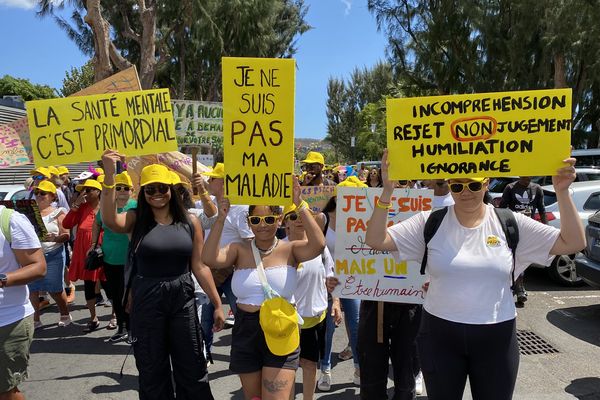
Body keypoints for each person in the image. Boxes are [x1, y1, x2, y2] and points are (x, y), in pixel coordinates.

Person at [365, 149, 585, 400]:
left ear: (486, 183)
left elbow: (573, 242)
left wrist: (563, 191)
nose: (465, 192)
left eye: (472, 184)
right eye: (457, 186)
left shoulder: (509, 222)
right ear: (449, 185)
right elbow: (375, 240)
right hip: (439, 334)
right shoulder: (430, 222)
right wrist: (386, 192)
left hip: (496, 336)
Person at [100, 151, 223, 400]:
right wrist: (110, 175)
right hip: (147, 298)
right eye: (150, 189)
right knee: (152, 368)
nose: (157, 193)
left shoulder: (190, 221)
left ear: (171, 189)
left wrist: (217, 303)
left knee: (192, 365)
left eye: (162, 188)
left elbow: (199, 266)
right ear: (142, 193)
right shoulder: (135, 220)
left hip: (182, 297)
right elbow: (110, 219)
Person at [201, 179, 326, 400]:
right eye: (256, 220)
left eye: (269, 219)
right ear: (248, 222)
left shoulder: (290, 249)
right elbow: (209, 258)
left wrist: (300, 204)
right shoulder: (238, 249)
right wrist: (220, 219)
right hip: (246, 330)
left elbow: (318, 244)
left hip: (281, 329)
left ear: (279, 220)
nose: (263, 225)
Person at [192, 162, 253, 357]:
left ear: (225, 182)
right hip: (209, 270)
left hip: (233, 271)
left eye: (212, 178)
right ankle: (204, 355)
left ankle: (245, 353)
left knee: (243, 314)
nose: (209, 181)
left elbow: (250, 242)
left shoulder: (241, 209)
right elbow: (204, 211)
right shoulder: (205, 202)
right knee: (206, 317)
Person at [284, 203, 339, 400]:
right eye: (292, 216)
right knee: (288, 367)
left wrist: (337, 303)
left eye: (303, 214)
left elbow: (331, 276)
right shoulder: (279, 248)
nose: (298, 219)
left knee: (309, 364)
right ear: (285, 223)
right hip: (287, 322)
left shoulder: (320, 248)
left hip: (314, 318)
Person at [318, 178, 364, 390]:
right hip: (327, 280)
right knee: (328, 327)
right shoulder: (323, 218)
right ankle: (325, 369)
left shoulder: (363, 218)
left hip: (352, 279)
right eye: (345, 195)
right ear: (336, 197)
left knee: (355, 324)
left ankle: (358, 366)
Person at [0, 205, 46, 400]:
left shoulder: (10, 220)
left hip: (7, 321)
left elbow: (38, 266)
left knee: (5, 390)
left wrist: (2, 279)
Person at [93, 171, 136, 342]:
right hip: (110, 258)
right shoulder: (107, 207)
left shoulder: (136, 206)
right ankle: (122, 327)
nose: (122, 191)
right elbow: (97, 223)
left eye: (126, 188)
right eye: (118, 188)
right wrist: (93, 244)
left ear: (132, 190)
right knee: (115, 296)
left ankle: (133, 328)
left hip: (131, 260)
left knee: (130, 296)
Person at [62, 179, 105, 333]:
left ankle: (115, 316)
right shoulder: (81, 208)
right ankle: (93, 318)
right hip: (87, 255)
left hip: (106, 251)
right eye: (84, 190)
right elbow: (67, 224)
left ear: (98, 192)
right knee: (88, 286)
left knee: (111, 286)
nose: (85, 193)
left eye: (88, 190)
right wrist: (75, 205)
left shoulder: (106, 208)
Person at [27, 181, 71, 330]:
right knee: (32, 289)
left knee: (55, 290)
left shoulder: (59, 212)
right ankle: (35, 320)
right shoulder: (28, 212)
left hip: (53, 253)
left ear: (52, 196)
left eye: (43, 193)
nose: (39, 196)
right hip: (33, 255)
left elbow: (66, 235)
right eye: (37, 193)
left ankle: (65, 314)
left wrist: (55, 238)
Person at [499, 176, 547, 306]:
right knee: (513, 257)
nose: (527, 179)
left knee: (523, 257)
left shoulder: (536, 189)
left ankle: (518, 286)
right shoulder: (510, 188)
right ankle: (518, 288)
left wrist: (545, 226)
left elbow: (542, 209)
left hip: (529, 227)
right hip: (512, 227)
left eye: (529, 177)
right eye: (524, 177)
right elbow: (502, 208)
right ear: (520, 176)